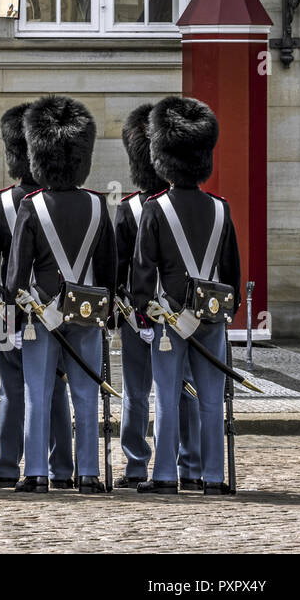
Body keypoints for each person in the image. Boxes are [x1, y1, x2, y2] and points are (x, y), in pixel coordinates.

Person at [130, 96, 241, 496]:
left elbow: (143, 270)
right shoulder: (220, 208)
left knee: (167, 396)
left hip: (168, 317)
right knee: (211, 400)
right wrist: (227, 310)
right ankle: (212, 476)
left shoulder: (156, 208)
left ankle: (164, 475)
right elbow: (231, 269)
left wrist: (143, 313)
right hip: (211, 316)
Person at [6, 95, 116, 495]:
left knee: (39, 394)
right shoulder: (98, 205)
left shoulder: (32, 205)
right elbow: (108, 267)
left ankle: (36, 472)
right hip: (87, 314)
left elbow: (16, 272)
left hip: (41, 314)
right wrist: (109, 315)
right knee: (85, 395)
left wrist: (13, 323)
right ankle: (86, 472)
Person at [0, 101, 76, 489]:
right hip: (56, 304)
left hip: (9, 306)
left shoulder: (2, 201)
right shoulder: (58, 200)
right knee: (54, 387)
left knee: (12, 388)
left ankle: (7, 465)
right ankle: (61, 466)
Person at [114, 103, 202, 489]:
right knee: (180, 389)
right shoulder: (182, 204)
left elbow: (118, 269)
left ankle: (137, 464)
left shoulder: (130, 208)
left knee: (139, 390)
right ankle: (189, 462)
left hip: (141, 313)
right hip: (176, 313)